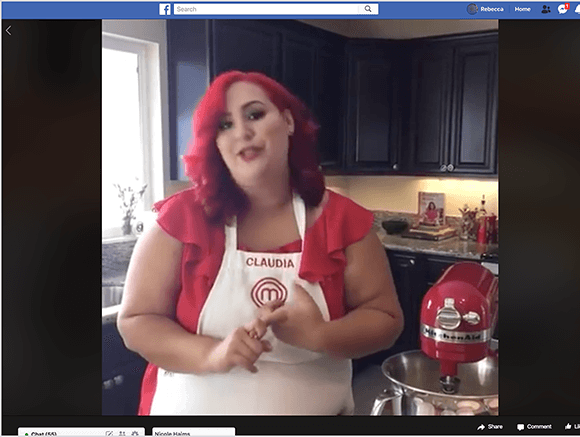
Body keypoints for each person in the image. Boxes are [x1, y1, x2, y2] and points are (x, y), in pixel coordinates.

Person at [117, 71, 404, 415]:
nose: (242, 132)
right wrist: (212, 354)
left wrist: (321, 335)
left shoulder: (343, 223)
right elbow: (136, 321)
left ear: (287, 122)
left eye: (255, 114)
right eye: (224, 125)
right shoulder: (179, 221)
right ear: (215, 143)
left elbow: (385, 319)